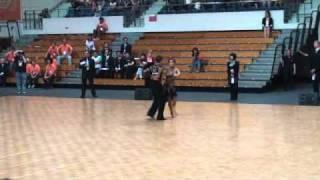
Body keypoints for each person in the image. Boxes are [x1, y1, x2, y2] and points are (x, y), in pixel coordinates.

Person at [146, 55, 167, 120]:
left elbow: (147, 71)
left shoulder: (155, 66)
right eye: (162, 60)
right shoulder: (158, 67)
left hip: (153, 84)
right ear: (160, 60)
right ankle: (160, 116)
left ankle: (151, 113)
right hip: (156, 85)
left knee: (156, 100)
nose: (163, 61)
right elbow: (155, 77)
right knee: (162, 100)